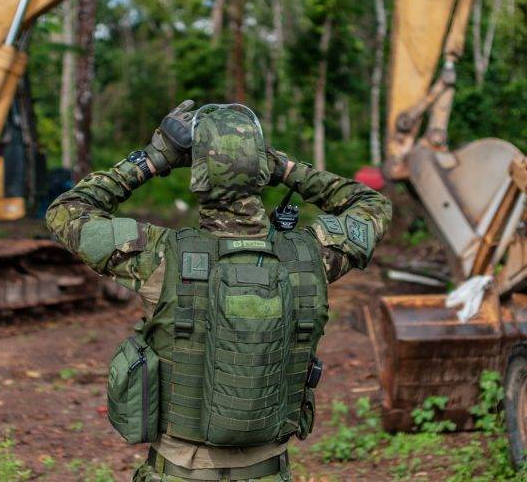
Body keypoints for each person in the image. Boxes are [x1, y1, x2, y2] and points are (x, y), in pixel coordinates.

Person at [46, 101, 391, 482]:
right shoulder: (312, 257)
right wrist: (284, 168)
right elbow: (372, 204)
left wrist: (154, 158)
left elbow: (67, 211)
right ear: (262, 173)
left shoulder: (160, 257)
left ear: (197, 177)